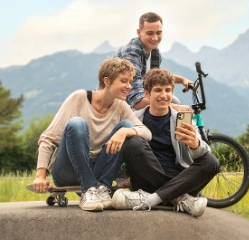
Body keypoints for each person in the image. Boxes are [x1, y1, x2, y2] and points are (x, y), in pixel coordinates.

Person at [31, 58, 151, 212]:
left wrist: (124, 132)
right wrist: (40, 175)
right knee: (76, 124)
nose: (129, 86)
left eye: (130, 81)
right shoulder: (79, 98)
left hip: (98, 169)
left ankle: (102, 188)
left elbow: (147, 133)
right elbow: (48, 138)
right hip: (68, 171)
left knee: (127, 126)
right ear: (107, 81)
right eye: (123, 81)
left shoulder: (121, 106)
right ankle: (88, 189)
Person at [111, 68, 220, 217]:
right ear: (147, 94)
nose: (164, 95)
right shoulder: (134, 118)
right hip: (147, 180)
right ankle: (179, 198)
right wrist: (121, 178)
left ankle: (150, 200)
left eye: (168, 90)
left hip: (180, 179)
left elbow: (203, 151)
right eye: (158, 90)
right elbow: (116, 151)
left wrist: (195, 145)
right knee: (134, 142)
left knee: (211, 161)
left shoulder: (183, 119)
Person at [112, 12, 193, 111]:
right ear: (139, 32)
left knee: (173, 100)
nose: (155, 38)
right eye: (150, 33)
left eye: (158, 32)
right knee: (172, 105)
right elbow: (137, 101)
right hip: (116, 103)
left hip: (134, 99)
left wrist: (182, 80)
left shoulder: (154, 51)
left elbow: (156, 78)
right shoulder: (132, 52)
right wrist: (175, 108)